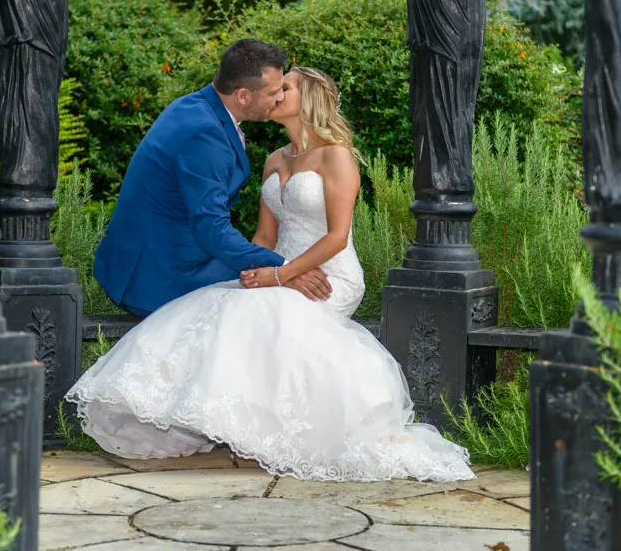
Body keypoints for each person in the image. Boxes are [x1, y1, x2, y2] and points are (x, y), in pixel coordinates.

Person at [67, 66, 475, 483]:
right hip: (280, 273)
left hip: (328, 275)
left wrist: (281, 276)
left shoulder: (336, 154)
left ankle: (269, 433)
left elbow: (336, 238)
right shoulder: (274, 159)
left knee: (262, 311)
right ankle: (224, 424)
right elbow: (264, 236)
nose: (278, 93)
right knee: (222, 301)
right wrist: (252, 272)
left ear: (310, 98)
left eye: (288, 87)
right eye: (277, 87)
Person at [93, 39, 334, 318]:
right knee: (271, 299)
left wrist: (278, 270)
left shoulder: (193, 105)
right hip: (159, 275)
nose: (279, 97)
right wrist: (283, 270)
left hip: (146, 257)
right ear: (244, 95)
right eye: (273, 91)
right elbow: (212, 230)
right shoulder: (206, 133)